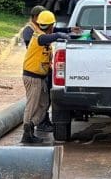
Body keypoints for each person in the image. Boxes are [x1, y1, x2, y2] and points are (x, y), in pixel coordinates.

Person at [21, 10, 69, 144]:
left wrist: (69, 30)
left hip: (40, 77)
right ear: (50, 26)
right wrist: (61, 35)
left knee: (43, 105)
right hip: (32, 77)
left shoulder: (43, 34)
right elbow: (49, 37)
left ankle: (31, 125)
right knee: (32, 104)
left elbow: (56, 32)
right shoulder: (39, 37)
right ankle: (26, 134)